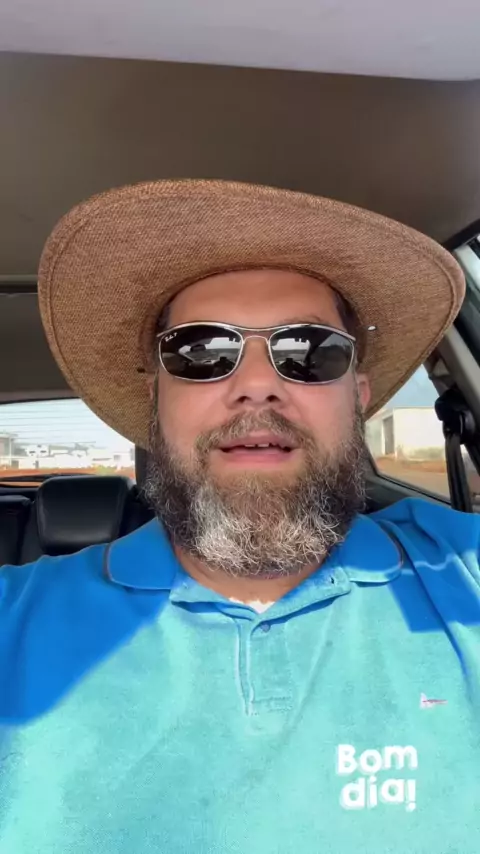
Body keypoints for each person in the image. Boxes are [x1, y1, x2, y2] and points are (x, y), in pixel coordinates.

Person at [0, 179, 478, 854]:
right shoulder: (13, 621)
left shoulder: (464, 574)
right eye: (201, 352)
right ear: (155, 400)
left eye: (309, 350)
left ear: (358, 397)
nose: (257, 384)